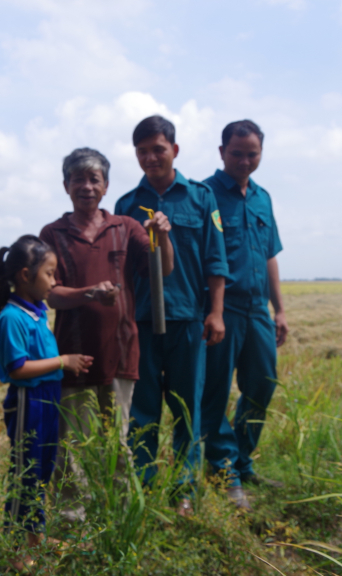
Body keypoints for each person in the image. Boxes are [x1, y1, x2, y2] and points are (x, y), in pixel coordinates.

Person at [39, 148, 174, 520]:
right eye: (78, 179)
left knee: (118, 440)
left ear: (106, 186)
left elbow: (162, 269)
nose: (86, 186)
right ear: (66, 185)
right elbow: (50, 295)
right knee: (70, 444)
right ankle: (72, 518)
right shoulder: (52, 233)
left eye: (94, 179)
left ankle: (121, 514)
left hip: (121, 351)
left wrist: (161, 236)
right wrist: (88, 294)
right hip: (72, 355)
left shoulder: (127, 228)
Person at [114, 115, 228, 516]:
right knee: (142, 412)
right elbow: (122, 271)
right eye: (142, 151)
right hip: (142, 322)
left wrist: (215, 313)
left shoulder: (201, 198)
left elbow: (216, 260)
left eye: (158, 149)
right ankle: (141, 489)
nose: (150, 158)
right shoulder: (126, 205)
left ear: (174, 150)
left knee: (186, 409)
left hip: (187, 320)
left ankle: (184, 492)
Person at [0, 235, 93, 571]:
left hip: (47, 401)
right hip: (28, 403)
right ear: (24, 275)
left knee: (43, 469)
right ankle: (18, 546)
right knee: (26, 474)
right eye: (49, 274)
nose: (54, 281)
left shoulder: (35, 312)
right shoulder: (12, 318)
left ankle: (36, 537)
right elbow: (17, 369)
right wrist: (63, 361)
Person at [200, 120, 288, 511]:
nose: (245, 160)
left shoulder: (263, 198)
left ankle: (242, 460)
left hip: (257, 311)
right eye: (237, 153)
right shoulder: (204, 195)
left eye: (253, 153)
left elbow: (269, 256)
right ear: (222, 152)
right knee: (216, 391)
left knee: (263, 385)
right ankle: (222, 470)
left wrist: (280, 309)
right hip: (223, 308)